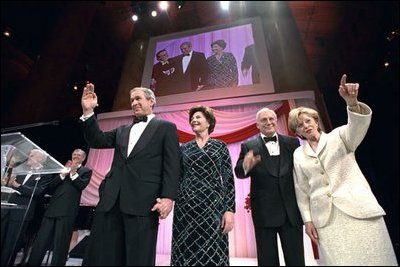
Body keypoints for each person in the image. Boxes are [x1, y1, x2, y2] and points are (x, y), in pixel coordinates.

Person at [287, 74, 398, 266]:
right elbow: (302, 190)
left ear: (316, 120)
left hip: (358, 211)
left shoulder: (339, 136)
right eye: (299, 125)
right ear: (296, 132)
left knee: (376, 259)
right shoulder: (298, 154)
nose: (305, 126)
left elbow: (357, 127)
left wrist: (352, 103)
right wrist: (308, 220)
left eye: (307, 121)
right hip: (326, 220)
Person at [79, 83, 180, 266]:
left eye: (138, 98)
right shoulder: (122, 130)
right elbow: (97, 140)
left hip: (143, 201)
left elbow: (172, 165)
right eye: (132, 100)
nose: (134, 102)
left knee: (138, 255)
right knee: (103, 254)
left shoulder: (166, 127)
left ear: (151, 101)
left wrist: (168, 197)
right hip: (111, 200)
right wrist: (88, 113)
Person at [234, 108, 305, 266]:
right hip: (264, 213)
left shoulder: (292, 142)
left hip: (291, 212)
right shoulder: (248, 146)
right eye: (264, 120)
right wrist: (246, 165)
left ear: (276, 120)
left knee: (296, 260)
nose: (268, 122)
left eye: (271, 119)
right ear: (257, 125)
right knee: (267, 261)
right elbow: (239, 172)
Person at [171, 105, 235, 266]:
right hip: (186, 207)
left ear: (209, 122)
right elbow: (177, 178)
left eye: (198, 117)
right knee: (185, 248)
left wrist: (230, 210)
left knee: (214, 250)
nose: (194, 120)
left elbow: (228, 179)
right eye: (192, 118)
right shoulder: (184, 148)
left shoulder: (220, 146)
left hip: (214, 206)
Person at [27, 149, 92, 266]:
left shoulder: (86, 171)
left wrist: (72, 173)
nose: (76, 156)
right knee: (41, 242)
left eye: (79, 155)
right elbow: (51, 186)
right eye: (74, 154)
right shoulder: (63, 169)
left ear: (83, 158)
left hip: (67, 212)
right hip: (52, 209)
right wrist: (62, 174)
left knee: (60, 244)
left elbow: (81, 185)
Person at [1, 149, 52, 266]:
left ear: (40, 159)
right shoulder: (21, 170)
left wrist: (18, 186)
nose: (28, 156)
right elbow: (9, 184)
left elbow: (38, 192)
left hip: (22, 213)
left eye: (32, 155)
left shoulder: (46, 174)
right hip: (7, 208)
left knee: (10, 245)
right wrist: (6, 183)